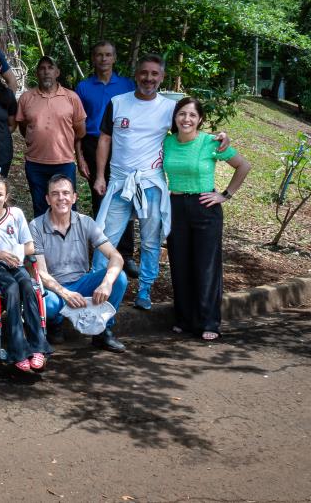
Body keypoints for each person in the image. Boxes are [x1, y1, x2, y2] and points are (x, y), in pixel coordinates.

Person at [92, 54, 229, 310]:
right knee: (104, 238)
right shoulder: (117, 102)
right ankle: (97, 288)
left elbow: (189, 131)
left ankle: (144, 290)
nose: (149, 78)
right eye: (144, 73)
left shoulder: (169, 108)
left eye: (155, 74)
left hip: (151, 184)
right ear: (136, 74)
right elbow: (104, 140)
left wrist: (219, 136)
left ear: (162, 77)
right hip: (120, 181)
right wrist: (100, 176)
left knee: (151, 241)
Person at [163, 97, 250, 341]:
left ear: (200, 119)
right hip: (176, 206)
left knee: (206, 266)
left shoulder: (210, 142)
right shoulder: (167, 142)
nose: (186, 119)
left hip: (205, 206)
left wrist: (225, 195)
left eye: (192, 115)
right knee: (180, 264)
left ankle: (209, 321)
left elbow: (243, 166)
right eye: (182, 114)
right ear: (175, 117)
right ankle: (185, 319)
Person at [29, 175, 128, 353]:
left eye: (66, 193)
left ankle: (102, 331)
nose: (61, 198)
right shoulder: (36, 226)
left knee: (118, 278)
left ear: (74, 197)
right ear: (47, 199)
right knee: (48, 304)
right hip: (54, 288)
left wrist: (105, 284)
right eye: (55, 194)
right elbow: (41, 273)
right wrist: (65, 293)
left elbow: (116, 257)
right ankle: (55, 324)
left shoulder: (85, 222)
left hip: (82, 283)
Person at [0, 176, 52, 373]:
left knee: (29, 287)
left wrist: (14, 254)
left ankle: (38, 347)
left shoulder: (16, 214)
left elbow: (30, 246)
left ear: (6, 197)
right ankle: (18, 350)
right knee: (12, 289)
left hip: (14, 263)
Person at [74, 40, 138, 276]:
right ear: (94, 58)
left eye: (108, 55)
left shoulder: (126, 85)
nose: (103, 59)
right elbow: (77, 125)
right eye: (99, 55)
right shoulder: (83, 87)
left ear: (114, 58)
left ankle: (127, 254)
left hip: (121, 145)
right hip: (92, 144)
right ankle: (104, 251)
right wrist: (79, 156)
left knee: (125, 196)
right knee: (100, 198)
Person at [16, 56, 88, 217]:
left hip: (64, 162)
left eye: (50, 67)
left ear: (57, 72)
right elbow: (24, 127)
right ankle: (44, 241)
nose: (46, 71)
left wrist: (64, 139)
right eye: (42, 68)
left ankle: (70, 241)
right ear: (37, 73)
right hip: (35, 163)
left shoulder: (71, 97)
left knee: (66, 207)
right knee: (40, 207)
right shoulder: (27, 98)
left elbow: (80, 130)